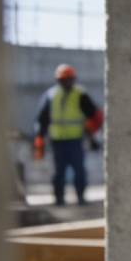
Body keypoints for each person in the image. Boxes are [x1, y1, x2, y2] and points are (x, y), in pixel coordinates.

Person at [34, 63, 102, 205]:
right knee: (59, 172)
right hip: (57, 141)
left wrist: (92, 136)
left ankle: (81, 198)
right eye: (65, 79)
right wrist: (39, 139)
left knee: (79, 171)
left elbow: (93, 115)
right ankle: (59, 199)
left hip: (75, 140)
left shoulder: (80, 94)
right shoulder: (51, 95)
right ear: (59, 80)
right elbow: (42, 119)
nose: (68, 82)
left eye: (70, 79)